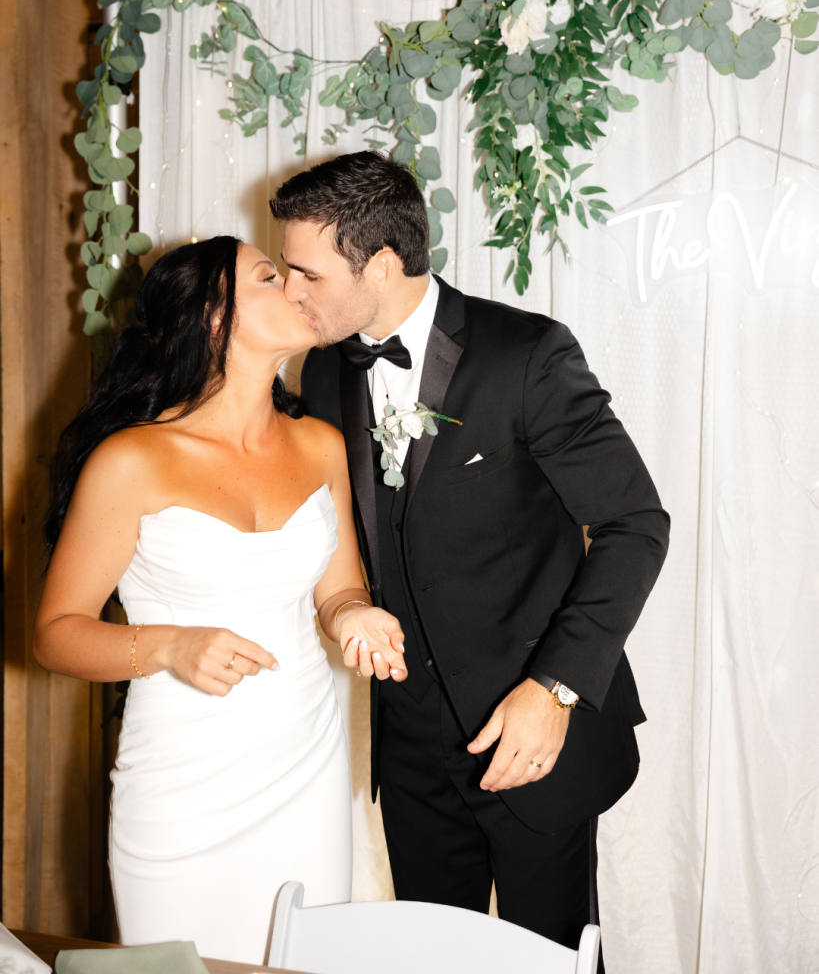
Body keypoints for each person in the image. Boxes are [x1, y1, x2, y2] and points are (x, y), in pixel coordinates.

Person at [270, 152, 670, 968]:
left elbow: (634, 522)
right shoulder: (321, 371)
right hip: (407, 743)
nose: (291, 291)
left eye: (304, 272)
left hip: (532, 734)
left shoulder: (528, 354)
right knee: (429, 958)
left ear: (379, 264)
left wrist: (554, 690)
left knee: (547, 958)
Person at [34, 236, 407, 965]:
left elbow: (338, 589)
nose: (297, 287)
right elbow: (55, 634)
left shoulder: (320, 444)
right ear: (212, 318)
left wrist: (353, 614)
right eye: (270, 276)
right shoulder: (131, 459)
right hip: (181, 779)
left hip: (304, 765)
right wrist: (171, 645)